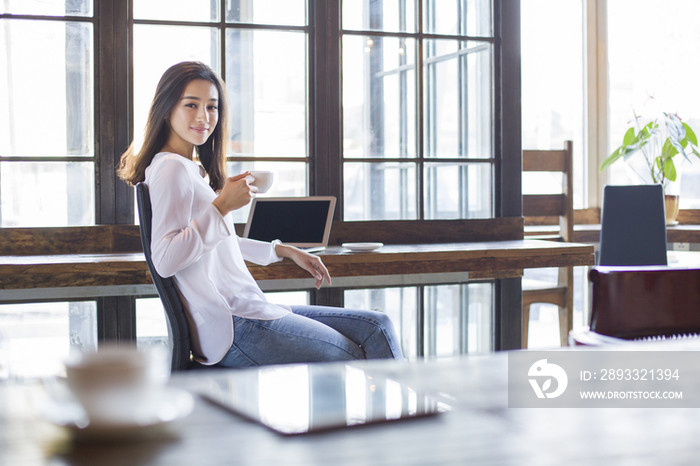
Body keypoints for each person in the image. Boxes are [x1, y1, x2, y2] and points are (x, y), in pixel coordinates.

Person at [117, 61, 403, 367]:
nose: (204, 117)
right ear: (165, 108)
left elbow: (216, 242)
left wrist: (281, 250)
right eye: (191, 105)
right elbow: (166, 259)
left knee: (377, 326)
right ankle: (403, 413)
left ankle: (402, 413)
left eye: (212, 107)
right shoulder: (171, 168)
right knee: (359, 357)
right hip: (235, 324)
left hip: (249, 309)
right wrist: (222, 205)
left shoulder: (187, 169)